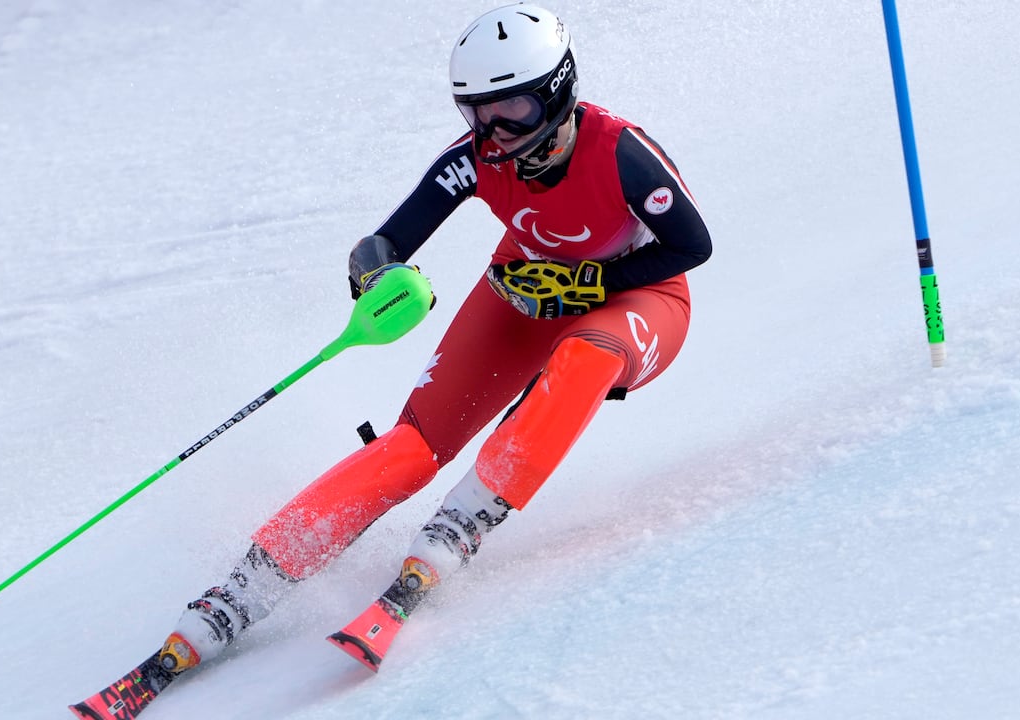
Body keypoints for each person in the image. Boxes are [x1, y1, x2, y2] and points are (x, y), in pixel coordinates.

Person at [161, 2, 711, 674]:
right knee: (414, 447)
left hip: (641, 299)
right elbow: (385, 239)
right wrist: (376, 276)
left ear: (556, 93)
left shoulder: (623, 153)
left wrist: (594, 283)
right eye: (476, 112)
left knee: (581, 357)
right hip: (526, 287)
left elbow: (693, 244)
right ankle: (250, 581)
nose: (493, 131)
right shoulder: (476, 158)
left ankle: (461, 525)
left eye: (511, 109)